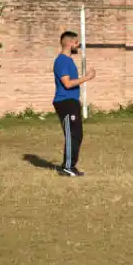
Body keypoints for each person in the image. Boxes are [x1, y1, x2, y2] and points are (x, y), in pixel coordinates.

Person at [53, 31, 95, 177]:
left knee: (77, 134)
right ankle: (67, 167)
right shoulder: (62, 61)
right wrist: (86, 78)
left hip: (72, 101)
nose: (78, 45)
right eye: (76, 42)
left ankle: (70, 165)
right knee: (72, 134)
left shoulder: (69, 61)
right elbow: (67, 83)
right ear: (69, 43)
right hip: (65, 102)